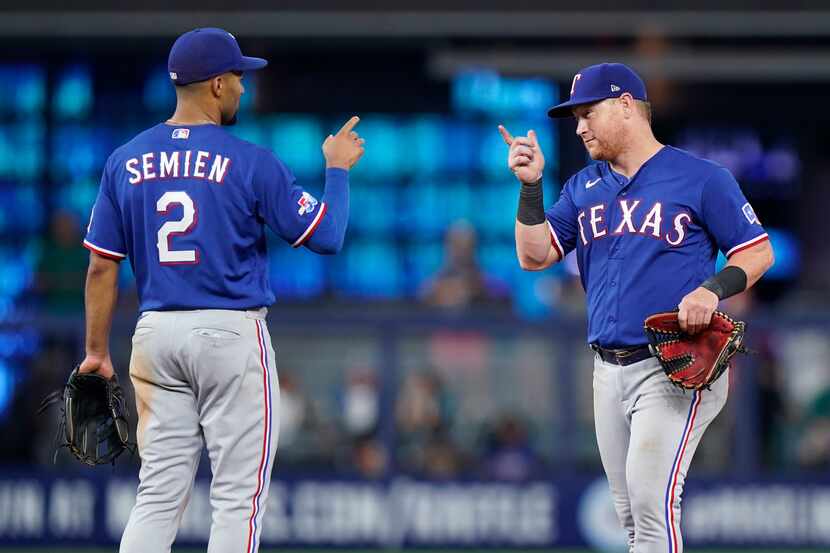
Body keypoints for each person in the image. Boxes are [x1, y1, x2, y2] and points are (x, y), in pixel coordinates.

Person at [78, 27, 364, 553]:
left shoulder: (125, 160)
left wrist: (96, 351)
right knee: (237, 500)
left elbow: (101, 267)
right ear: (214, 85)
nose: (243, 88)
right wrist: (337, 170)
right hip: (229, 334)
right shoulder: (251, 161)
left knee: (158, 496)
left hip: (156, 335)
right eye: (237, 77)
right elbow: (326, 236)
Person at [499, 63, 774, 553]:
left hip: (672, 364)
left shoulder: (701, 177)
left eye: (588, 112)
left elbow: (757, 251)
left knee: (650, 506)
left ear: (626, 105)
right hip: (607, 368)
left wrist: (711, 289)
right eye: (576, 117)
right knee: (629, 515)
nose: (579, 126)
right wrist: (529, 186)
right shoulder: (583, 187)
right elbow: (533, 255)